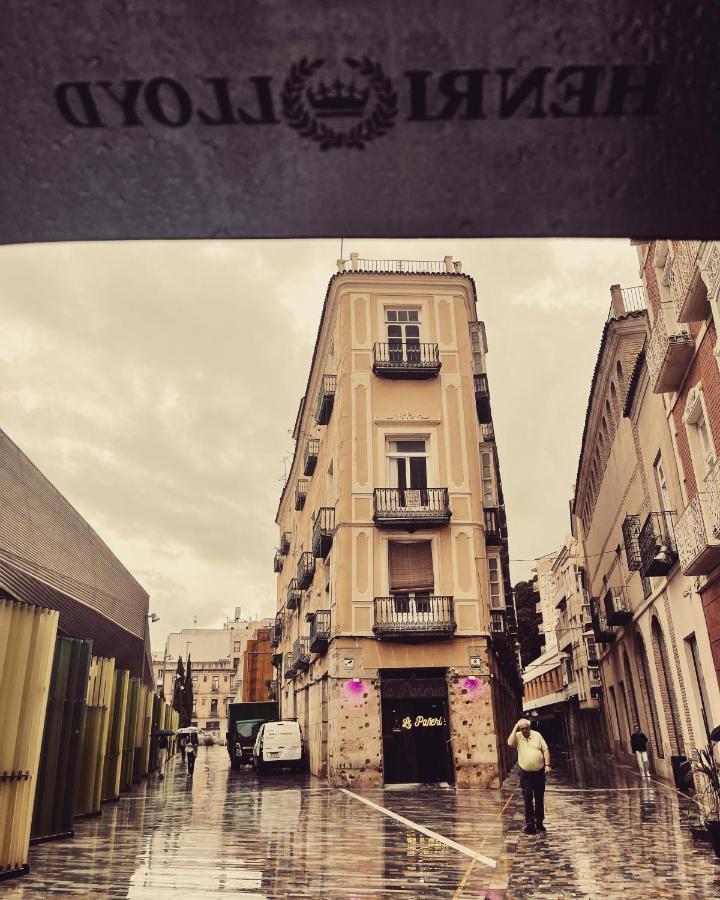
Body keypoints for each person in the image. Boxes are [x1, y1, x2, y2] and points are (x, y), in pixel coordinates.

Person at [508, 718, 551, 834]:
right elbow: (510, 743)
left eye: (526, 728)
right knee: (527, 798)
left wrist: (547, 765)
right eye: (522, 729)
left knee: (539, 797)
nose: (525, 730)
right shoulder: (517, 736)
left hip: (539, 772)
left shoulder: (537, 735)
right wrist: (515, 727)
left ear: (529, 727)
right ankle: (530, 824)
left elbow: (545, 750)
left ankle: (539, 822)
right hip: (525, 773)